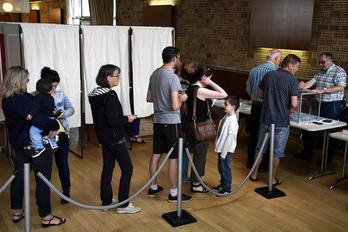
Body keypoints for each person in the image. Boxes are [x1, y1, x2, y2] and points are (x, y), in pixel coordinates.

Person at [1, 66, 66, 227]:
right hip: (36, 147)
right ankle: (46, 216)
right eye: (27, 79)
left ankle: (17, 211)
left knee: (18, 177)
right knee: (43, 180)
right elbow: (38, 120)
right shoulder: (24, 98)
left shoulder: (6, 99)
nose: (28, 82)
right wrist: (55, 125)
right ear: (20, 80)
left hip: (18, 145)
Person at [89, 64, 141, 214]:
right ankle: (123, 205)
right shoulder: (109, 95)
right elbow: (113, 120)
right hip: (114, 137)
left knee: (108, 169)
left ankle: (106, 201)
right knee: (127, 169)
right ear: (108, 77)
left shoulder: (95, 94)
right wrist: (128, 118)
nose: (119, 79)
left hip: (104, 138)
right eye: (117, 76)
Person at [146, 46, 192, 202]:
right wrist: (183, 98)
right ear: (174, 59)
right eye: (178, 58)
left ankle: (153, 188)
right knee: (173, 157)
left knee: (156, 154)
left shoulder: (154, 74)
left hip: (158, 121)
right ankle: (174, 193)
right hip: (172, 122)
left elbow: (149, 98)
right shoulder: (172, 77)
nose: (179, 61)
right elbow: (174, 105)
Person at [250, 54, 300, 185]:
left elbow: (260, 94)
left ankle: (254, 174)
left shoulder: (269, 75)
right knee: (277, 152)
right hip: (281, 121)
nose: (297, 69)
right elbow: (294, 104)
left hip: (265, 118)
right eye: (297, 66)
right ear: (290, 65)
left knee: (260, 148)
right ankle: (271, 179)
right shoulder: (292, 80)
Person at [297, 52, 347, 162]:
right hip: (318, 104)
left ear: (330, 61)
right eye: (319, 62)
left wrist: (324, 90)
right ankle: (307, 153)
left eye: (322, 62)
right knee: (309, 127)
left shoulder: (339, 71)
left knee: (329, 131)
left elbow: (341, 87)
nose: (320, 64)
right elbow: (310, 83)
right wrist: (302, 85)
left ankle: (327, 160)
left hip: (332, 104)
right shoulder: (320, 72)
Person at [186, 65, 227, 193]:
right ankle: (196, 184)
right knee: (200, 155)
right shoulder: (200, 90)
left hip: (189, 125)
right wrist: (210, 82)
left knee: (196, 154)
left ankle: (195, 179)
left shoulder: (190, 87)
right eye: (209, 78)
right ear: (203, 77)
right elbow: (224, 94)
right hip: (200, 126)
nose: (210, 80)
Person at [40, 67, 75, 204]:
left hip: (62, 134)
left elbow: (71, 109)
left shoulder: (61, 95)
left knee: (63, 164)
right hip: (45, 136)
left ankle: (66, 192)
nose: (54, 89)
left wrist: (64, 114)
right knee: (44, 168)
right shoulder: (36, 96)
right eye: (52, 86)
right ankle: (43, 198)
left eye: (56, 86)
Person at [245, 49, 282, 169]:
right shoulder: (275, 72)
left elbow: (248, 88)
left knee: (254, 134)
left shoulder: (254, 69)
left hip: (255, 105)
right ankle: (263, 166)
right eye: (279, 59)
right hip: (268, 108)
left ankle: (251, 163)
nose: (279, 62)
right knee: (267, 137)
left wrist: (253, 98)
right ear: (276, 59)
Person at [213, 96, 239, 195]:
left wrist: (224, 153)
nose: (224, 106)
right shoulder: (226, 117)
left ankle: (227, 188)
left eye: (226, 105)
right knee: (221, 168)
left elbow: (230, 138)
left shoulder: (233, 121)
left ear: (233, 107)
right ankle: (222, 184)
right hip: (221, 148)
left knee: (225, 168)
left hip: (226, 151)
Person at [27, 78, 59, 157]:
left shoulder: (38, 97)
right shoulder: (51, 97)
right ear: (50, 89)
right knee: (50, 131)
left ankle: (39, 147)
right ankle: (54, 144)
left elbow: (35, 107)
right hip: (51, 119)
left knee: (33, 131)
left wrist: (30, 114)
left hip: (43, 120)